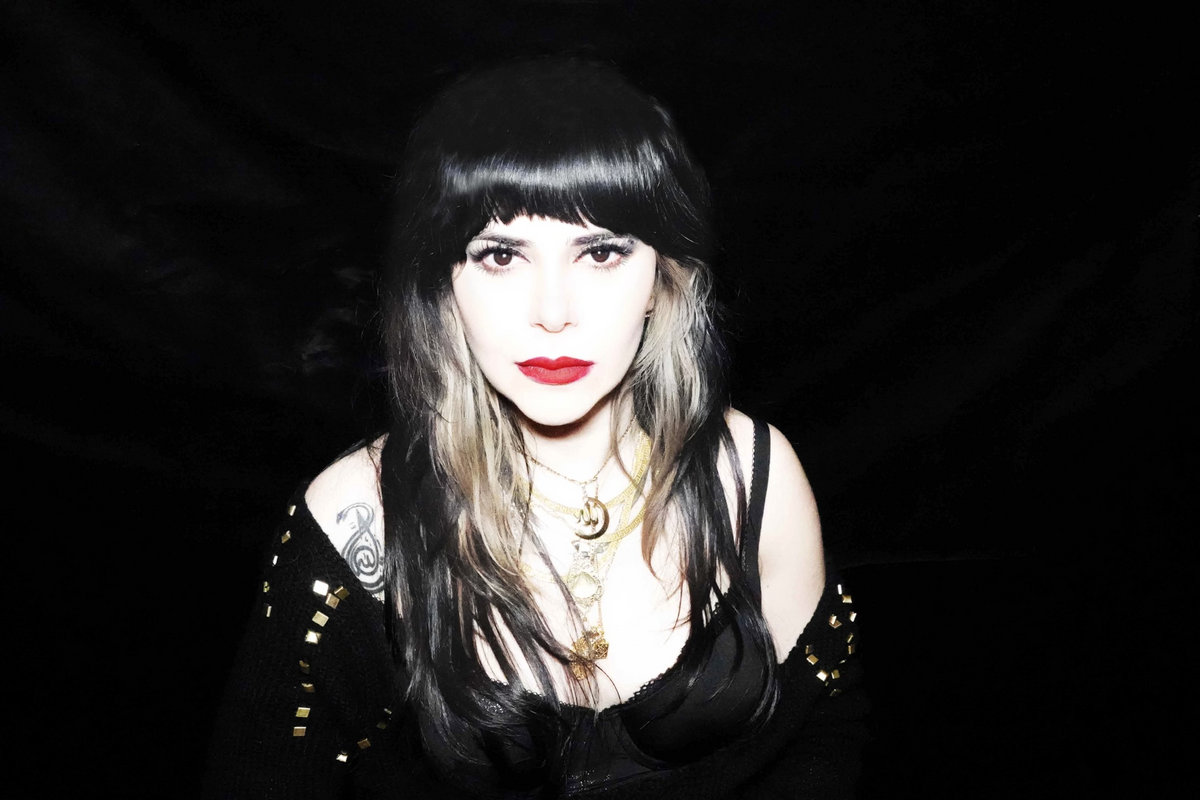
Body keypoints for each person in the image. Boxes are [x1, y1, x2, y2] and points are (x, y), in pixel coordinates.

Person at [205, 58, 866, 799]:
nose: (552, 313)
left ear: (662, 279)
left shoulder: (752, 472)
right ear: (444, 283)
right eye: (500, 255)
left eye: (601, 251)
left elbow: (824, 736)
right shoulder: (356, 517)